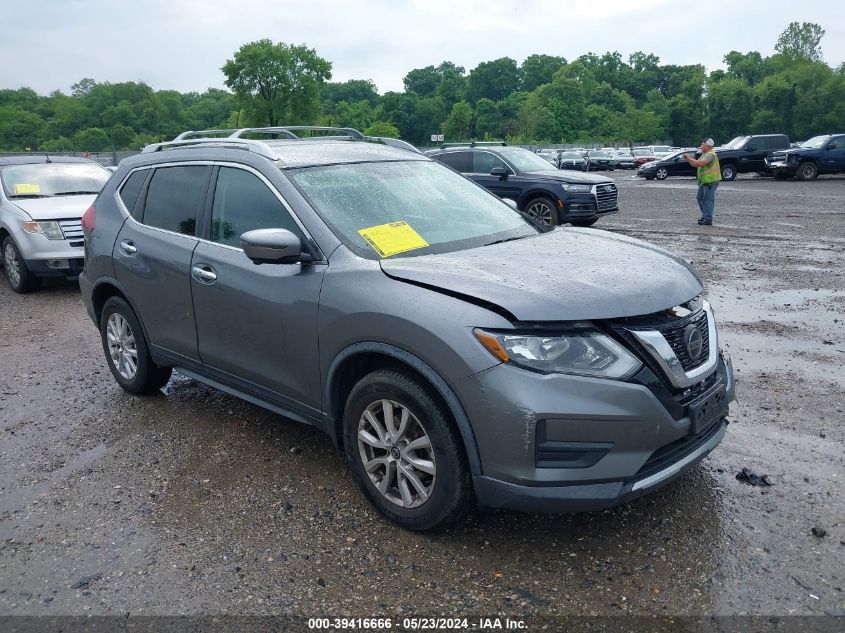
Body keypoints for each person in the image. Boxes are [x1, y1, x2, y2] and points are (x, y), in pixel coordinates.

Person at [684, 138, 721, 226]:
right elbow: (695, 164)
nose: (701, 146)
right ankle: (706, 216)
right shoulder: (705, 154)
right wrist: (689, 159)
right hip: (704, 181)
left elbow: (700, 164)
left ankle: (708, 219)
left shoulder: (710, 155)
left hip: (710, 181)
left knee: (708, 200)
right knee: (700, 198)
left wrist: (690, 158)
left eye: (702, 144)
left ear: (708, 145)